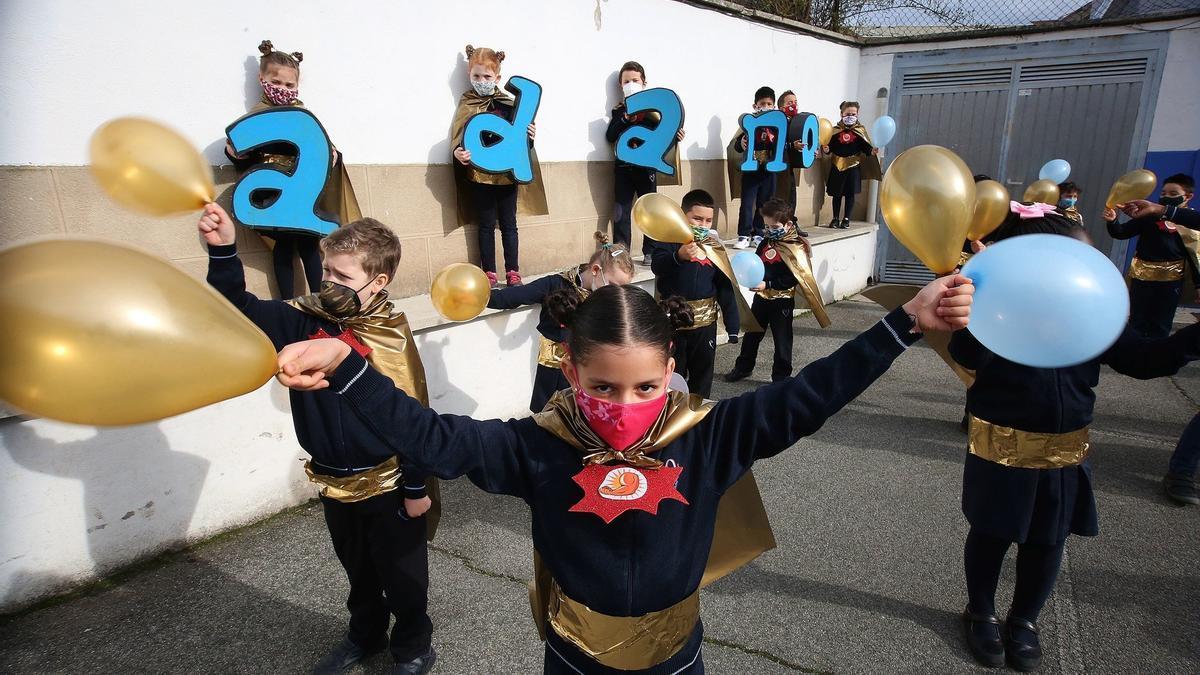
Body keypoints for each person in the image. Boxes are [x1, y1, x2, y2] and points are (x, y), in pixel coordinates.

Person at [274, 274, 974, 674]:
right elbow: (432, 435)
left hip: (676, 656)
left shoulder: (710, 436)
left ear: (669, 369)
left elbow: (813, 393)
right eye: (603, 387)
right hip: (576, 656)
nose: (624, 404)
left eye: (643, 386)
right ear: (571, 371)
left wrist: (905, 323)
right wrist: (348, 368)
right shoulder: (536, 445)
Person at [950, 210, 1200, 672]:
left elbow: (1142, 359)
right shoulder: (995, 302)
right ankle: (980, 610)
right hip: (1001, 446)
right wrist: (974, 297)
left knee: (1048, 540)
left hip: (1065, 450)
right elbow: (965, 352)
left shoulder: (1091, 308)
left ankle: (1024, 620)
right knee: (991, 533)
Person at [198, 203, 437, 675]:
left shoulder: (390, 333)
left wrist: (416, 488)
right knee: (358, 571)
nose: (328, 283)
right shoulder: (306, 319)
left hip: (389, 483)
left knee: (404, 577)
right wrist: (224, 251)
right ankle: (364, 635)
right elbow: (239, 311)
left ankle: (412, 647)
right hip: (333, 478)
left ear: (378, 282)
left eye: (342, 276)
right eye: (324, 270)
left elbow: (414, 416)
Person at [224, 40, 362, 299]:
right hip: (276, 195)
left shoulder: (302, 115)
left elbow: (319, 145)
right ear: (262, 79)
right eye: (276, 83)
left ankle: (320, 297)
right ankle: (289, 301)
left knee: (310, 245)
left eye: (289, 85)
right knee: (284, 247)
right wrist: (233, 154)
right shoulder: (260, 116)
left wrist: (331, 154)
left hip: (304, 194)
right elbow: (247, 157)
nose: (282, 90)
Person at [486, 232, 636, 413]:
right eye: (613, 285)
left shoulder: (608, 298)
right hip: (553, 365)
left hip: (589, 367)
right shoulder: (556, 284)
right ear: (596, 270)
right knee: (548, 412)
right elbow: (514, 296)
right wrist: (478, 298)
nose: (617, 294)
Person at [1121, 196, 1200, 507]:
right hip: (1146, 281)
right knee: (1146, 344)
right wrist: (1163, 210)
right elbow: (1121, 234)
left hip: (1168, 283)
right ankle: (1181, 472)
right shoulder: (1160, 218)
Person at [451, 44, 547, 288]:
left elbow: (520, 139)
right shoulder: (468, 102)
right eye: (476, 76)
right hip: (480, 176)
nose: (481, 81)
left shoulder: (508, 103)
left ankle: (513, 270)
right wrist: (458, 152)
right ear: (469, 75)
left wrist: (531, 135)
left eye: (487, 76)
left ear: (498, 78)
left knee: (508, 224)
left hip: (507, 176)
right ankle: (489, 272)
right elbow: (459, 134)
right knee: (485, 225)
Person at [651, 189, 758, 397]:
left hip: (705, 327)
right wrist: (677, 256)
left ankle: (701, 421)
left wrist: (732, 325)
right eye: (697, 219)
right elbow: (657, 266)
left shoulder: (713, 246)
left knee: (703, 376)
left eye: (709, 220)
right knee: (673, 375)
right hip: (674, 325)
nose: (703, 225)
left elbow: (725, 287)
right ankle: (672, 418)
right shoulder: (669, 239)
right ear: (683, 217)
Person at [726, 198, 826, 383]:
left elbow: (795, 277)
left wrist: (770, 284)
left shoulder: (797, 247)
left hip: (782, 301)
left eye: (774, 226)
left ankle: (781, 376)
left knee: (782, 340)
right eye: (766, 226)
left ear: (788, 224)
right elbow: (757, 264)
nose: (769, 230)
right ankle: (743, 367)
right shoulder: (766, 242)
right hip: (761, 299)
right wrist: (752, 278)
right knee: (752, 335)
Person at [604, 60, 685, 260]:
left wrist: (677, 136)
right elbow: (610, 135)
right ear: (620, 86)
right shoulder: (619, 110)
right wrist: (624, 119)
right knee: (621, 211)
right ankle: (622, 253)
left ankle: (651, 250)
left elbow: (663, 136)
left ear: (644, 82)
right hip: (623, 168)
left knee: (650, 209)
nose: (631, 84)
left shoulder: (655, 112)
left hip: (646, 169)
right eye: (626, 81)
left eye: (635, 80)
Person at [1105, 173, 1196, 338]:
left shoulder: (1191, 223)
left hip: (1170, 282)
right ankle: (1133, 357)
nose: (1166, 197)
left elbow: (1195, 258)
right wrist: (1113, 221)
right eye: (1163, 193)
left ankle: (1156, 358)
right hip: (1141, 279)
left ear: (1188, 196)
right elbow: (1122, 232)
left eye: (1173, 194)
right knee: (1137, 320)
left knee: (1160, 323)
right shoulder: (1149, 215)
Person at [730, 86, 778, 249]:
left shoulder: (777, 125)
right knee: (747, 203)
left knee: (764, 204)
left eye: (769, 103)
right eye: (762, 103)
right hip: (751, 170)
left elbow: (784, 145)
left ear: (774, 106)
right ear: (755, 105)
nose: (765, 106)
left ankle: (758, 233)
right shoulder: (748, 122)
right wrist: (740, 144)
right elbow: (736, 143)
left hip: (769, 171)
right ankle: (744, 235)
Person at [821, 101, 879, 230]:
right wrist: (826, 149)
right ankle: (835, 218)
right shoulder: (834, 131)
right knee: (837, 194)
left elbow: (865, 147)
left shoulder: (860, 131)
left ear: (858, 114)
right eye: (848, 114)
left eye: (853, 114)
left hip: (853, 167)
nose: (850, 116)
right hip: (837, 165)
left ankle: (846, 218)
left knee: (850, 193)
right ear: (841, 114)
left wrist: (871, 151)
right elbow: (829, 146)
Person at [774, 90, 809, 236]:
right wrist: (791, 145)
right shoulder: (778, 122)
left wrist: (809, 150)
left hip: (790, 167)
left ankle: (792, 224)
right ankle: (779, 225)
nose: (793, 105)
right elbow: (778, 142)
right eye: (790, 103)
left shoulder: (797, 124)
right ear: (781, 107)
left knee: (792, 196)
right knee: (780, 197)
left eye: (795, 102)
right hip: (778, 166)